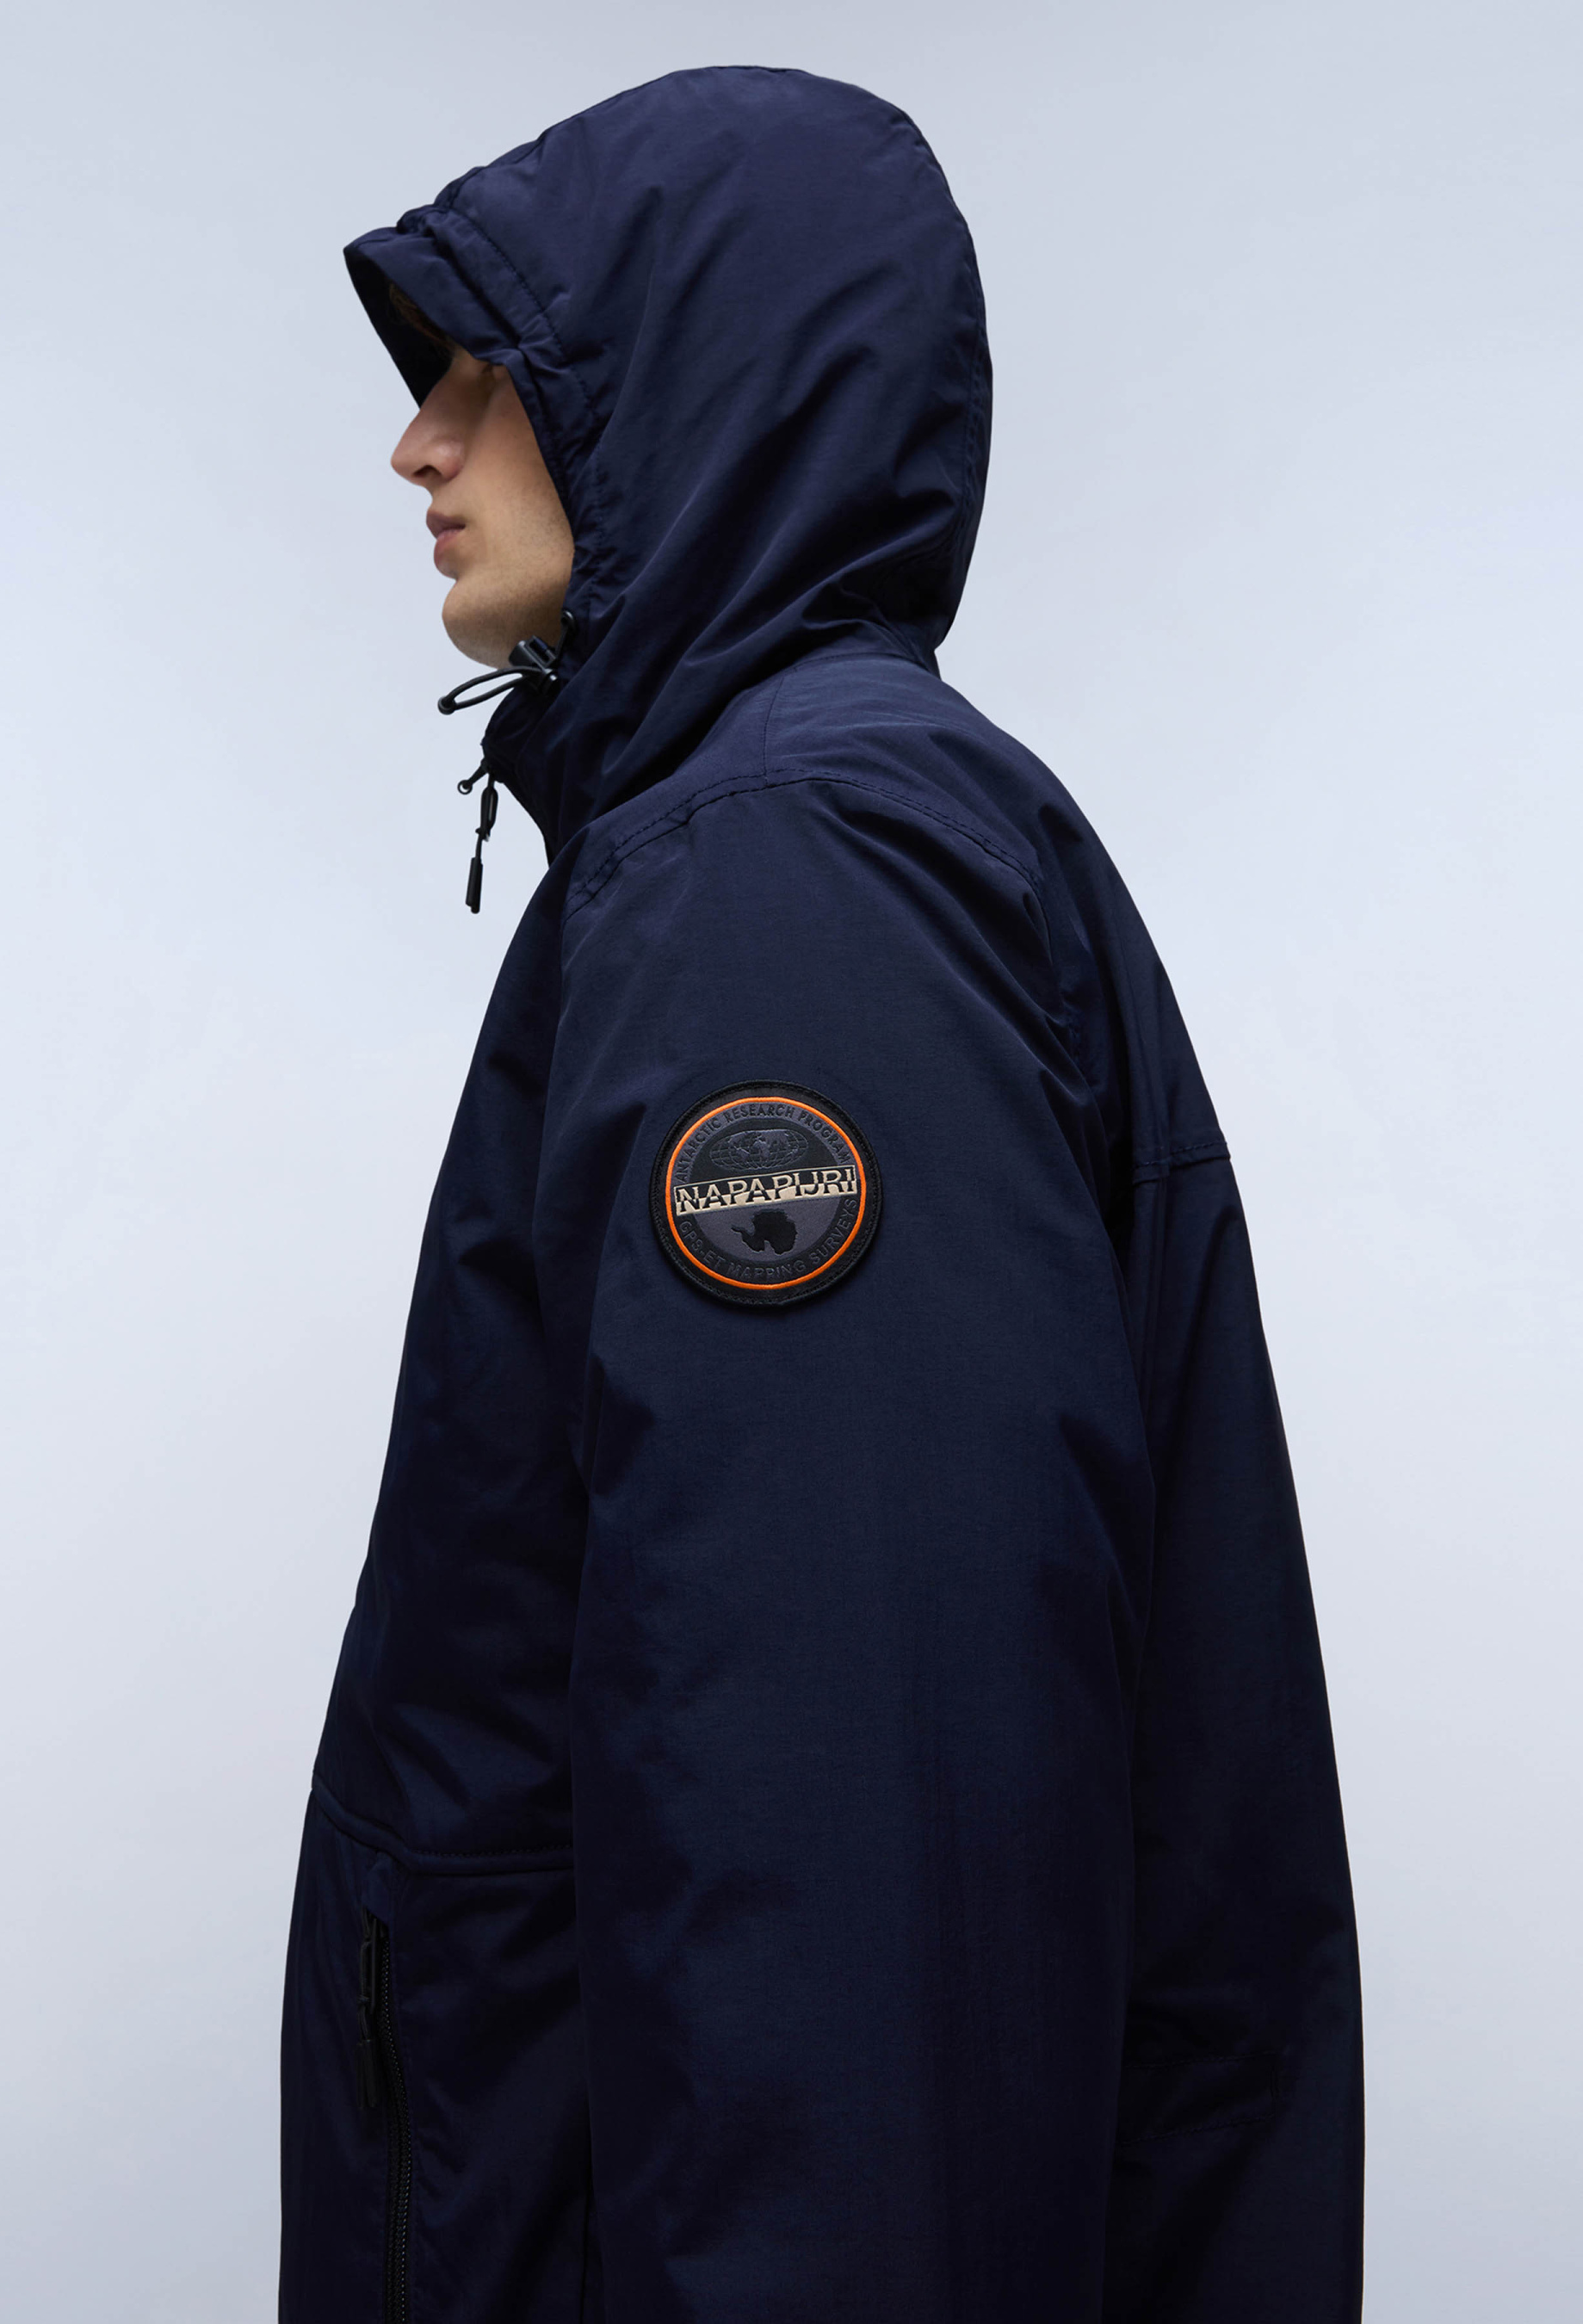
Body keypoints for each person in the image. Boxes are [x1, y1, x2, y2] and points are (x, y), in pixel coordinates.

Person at [280, 65, 1364, 2324]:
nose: (417, 446)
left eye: (484, 374)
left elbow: (842, 1874)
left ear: (683, 389)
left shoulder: (785, 883)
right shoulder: (823, 835)